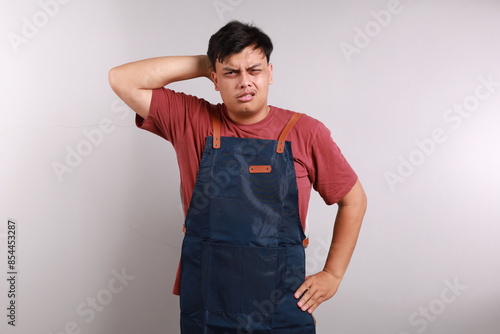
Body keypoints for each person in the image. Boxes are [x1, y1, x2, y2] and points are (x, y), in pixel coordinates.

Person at [109, 20, 367, 334]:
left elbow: (354, 200)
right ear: (214, 79)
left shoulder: (306, 132)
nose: (244, 81)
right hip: (208, 306)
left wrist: (333, 274)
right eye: (231, 73)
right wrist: (209, 60)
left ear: (271, 73)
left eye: (254, 70)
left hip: (283, 307)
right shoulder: (191, 119)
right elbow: (122, 79)